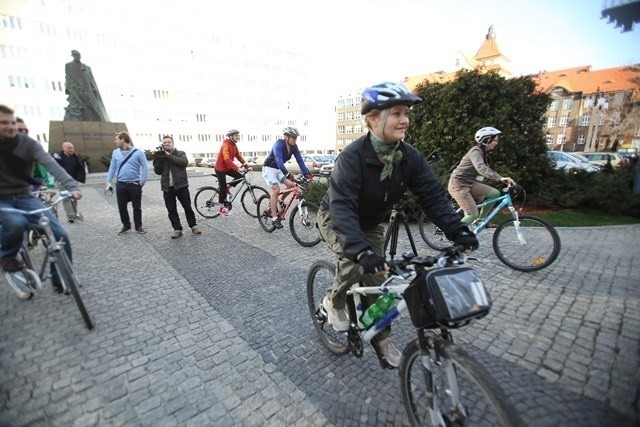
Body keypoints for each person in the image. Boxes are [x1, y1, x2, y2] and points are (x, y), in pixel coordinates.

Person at [316, 82, 478, 368]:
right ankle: (334, 301)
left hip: (371, 224)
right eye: (396, 113)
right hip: (336, 218)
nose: (404, 119)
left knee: (379, 287)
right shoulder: (352, 158)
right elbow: (342, 207)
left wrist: (458, 230)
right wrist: (360, 251)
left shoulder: (409, 157)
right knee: (354, 263)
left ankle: (381, 339)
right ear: (372, 119)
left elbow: (433, 196)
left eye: (406, 113)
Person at [0, 105, 83, 293]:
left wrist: (72, 186)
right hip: (2, 199)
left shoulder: (28, 144)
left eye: (12, 122)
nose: (11, 127)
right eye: (5, 123)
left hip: (25, 196)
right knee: (15, 222)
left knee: (59, 233)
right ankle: (7, 256)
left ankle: (60, 277)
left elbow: (51, 166)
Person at [447, 127, 516, 226]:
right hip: (458, 185)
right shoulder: (475, 152)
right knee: (472, 214)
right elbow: (481, 168)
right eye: (495, 140)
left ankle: (481, 220)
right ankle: (455, 235)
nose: (496, 143)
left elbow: (481, 172)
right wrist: (500, 178)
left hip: (469, 183)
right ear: (487, 140)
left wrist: (500, 179)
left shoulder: (483, 153)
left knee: (494, 193)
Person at [262, 126, 312, 229]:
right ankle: (274, 218)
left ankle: (279, 200)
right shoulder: (279, 144)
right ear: (286, 137)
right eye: (293, 137)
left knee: (291, 185)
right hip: (269, 169)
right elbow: (279, 160)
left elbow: (300, 161)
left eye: (296, 137)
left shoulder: (294, 147)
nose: (295, 139)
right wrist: (287, 174)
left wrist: (307, 174)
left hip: (278, 170)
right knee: (276, 189)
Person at [153, 135, 202, 238]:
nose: (166, 144)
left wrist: (168, 155)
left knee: (187, 207)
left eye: (168, 142)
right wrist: (158, 159)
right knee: (171, 209)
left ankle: (193, 226)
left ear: (173, 143)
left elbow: (184, 163)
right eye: (164, 143)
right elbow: (157, 171)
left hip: (181, 186)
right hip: (167, 187)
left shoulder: (180, 153)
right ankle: (177, 229)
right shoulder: (161, 156)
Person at [105, 131, 148, 234]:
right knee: (121, 206)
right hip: (121, 183)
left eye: (117, 139)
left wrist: (142, 181)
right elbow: (112, 167)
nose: (115, 141)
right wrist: (108, 180)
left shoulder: (138, 152)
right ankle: (126, 225)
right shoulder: (115, 152)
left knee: (137, 207)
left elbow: (145, 166)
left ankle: (138, 226)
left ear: (122, 139)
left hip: (134, 183)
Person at [64, 49, 109, 122]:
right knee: (77, 108)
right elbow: (67, 77)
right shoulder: (68, 65)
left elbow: (91, 80)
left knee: (92, 109)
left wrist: (94, 90)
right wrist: (69, 88)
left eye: (78, 55)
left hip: (87, 91)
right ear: (72, 56)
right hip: (76, 90)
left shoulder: (86, 67)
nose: (77, 57)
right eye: (75, 55)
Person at [214, 129, 251, 217]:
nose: (238, 137)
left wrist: (246, 166)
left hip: (227, 167)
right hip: (220, 168)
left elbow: (238, 156)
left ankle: (228, 188)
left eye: (238, 135)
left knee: (239, 177)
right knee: (222, 188)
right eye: (236, 135)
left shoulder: (234, 145)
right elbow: (227, 159)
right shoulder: (225, 145)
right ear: (231, 137)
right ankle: (221, 208)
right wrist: (237, 168)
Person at [16, 117, 56, 192]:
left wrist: (50, 185)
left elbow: (44, 167)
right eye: (20, 130)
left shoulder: (31, 148)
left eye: (26, 130)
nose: (24, 132)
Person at [53, 141, 86, 223]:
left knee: (74, 197)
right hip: (62, 181)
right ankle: (70, 216)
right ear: (64, 148)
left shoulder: (75, 157)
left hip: (73, 181)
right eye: (69, 148)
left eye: (72, 148)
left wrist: (79, 178)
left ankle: (74, 213)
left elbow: (80, 168)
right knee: (65, 198)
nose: (72, 149)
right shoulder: (58, 157)